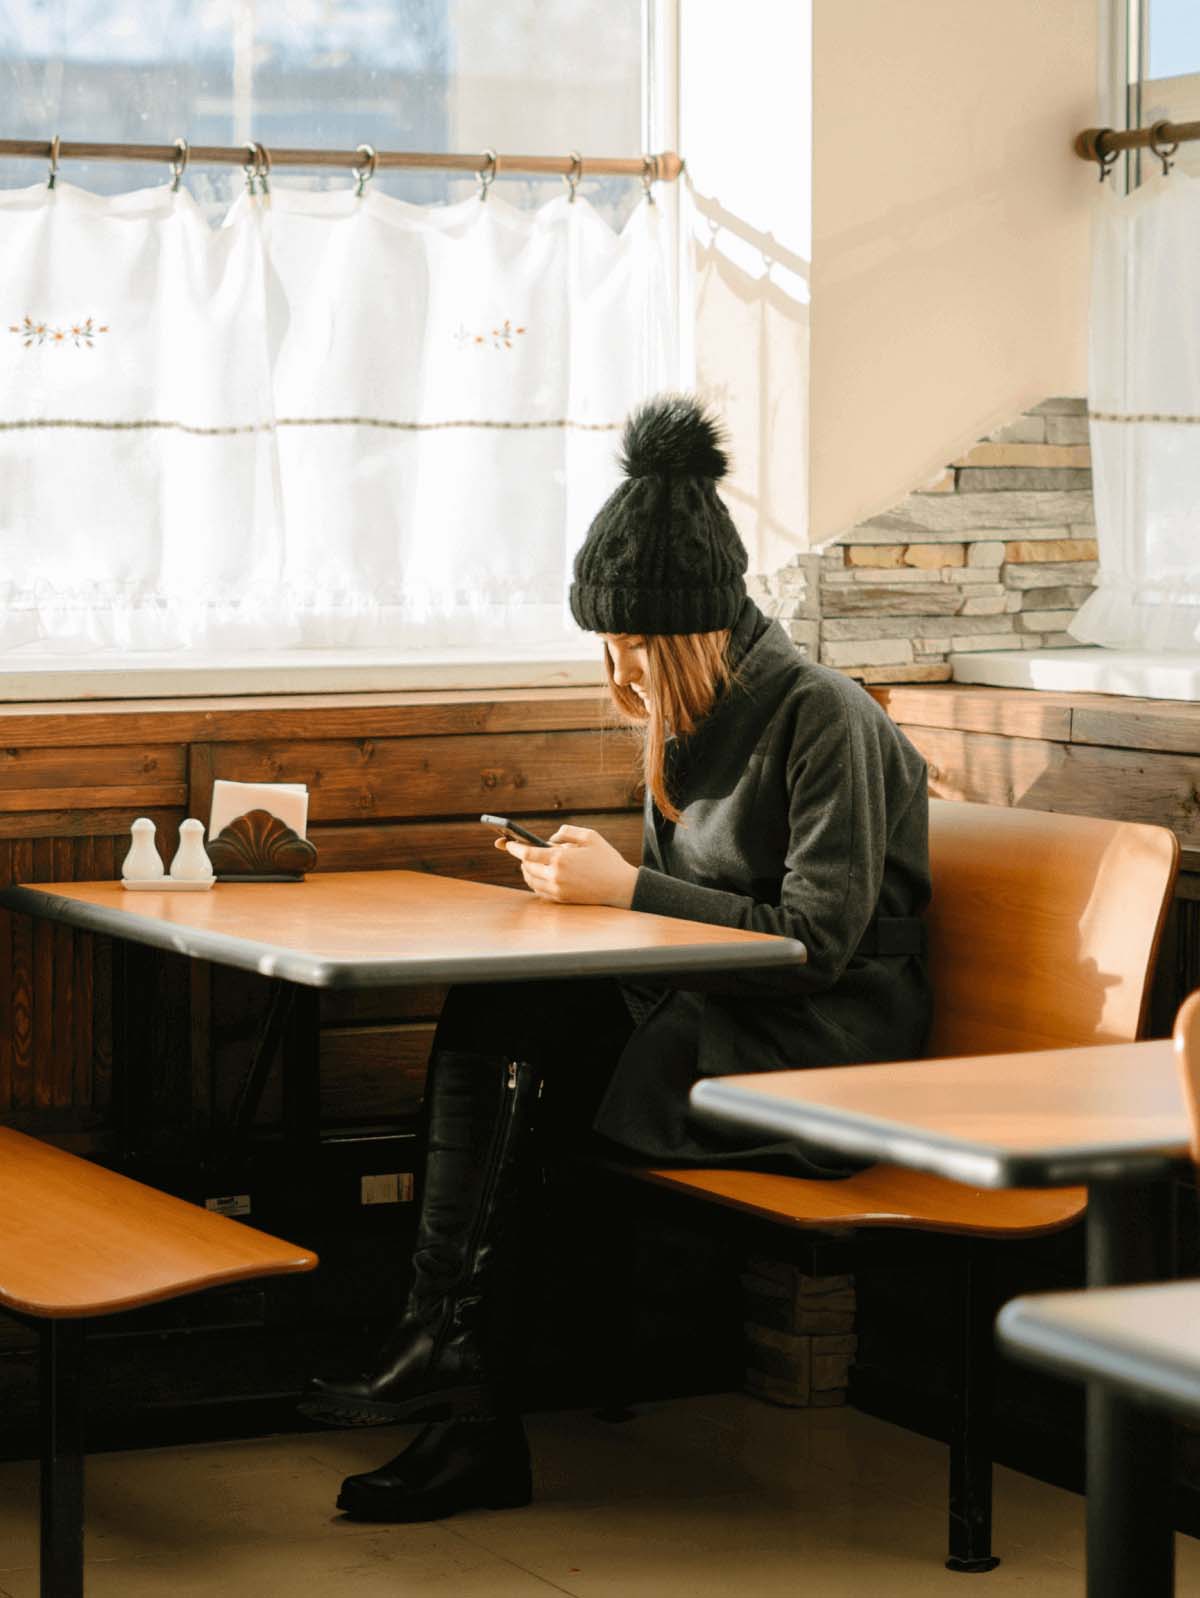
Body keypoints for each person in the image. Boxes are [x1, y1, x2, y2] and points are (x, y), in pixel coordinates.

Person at [307, 393, 932, 1523]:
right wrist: (588, 896)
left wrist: (629, 890)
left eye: (633, 641)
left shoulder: (824, 716)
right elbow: (681, 925)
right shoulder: (690, 719)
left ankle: (457, 1385)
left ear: (691, 628)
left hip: (824, 1049)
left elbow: (821, 941)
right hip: (716, 1019)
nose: (617, 665)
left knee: (526, 1088)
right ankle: (449, 1361)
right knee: (499, 1027)